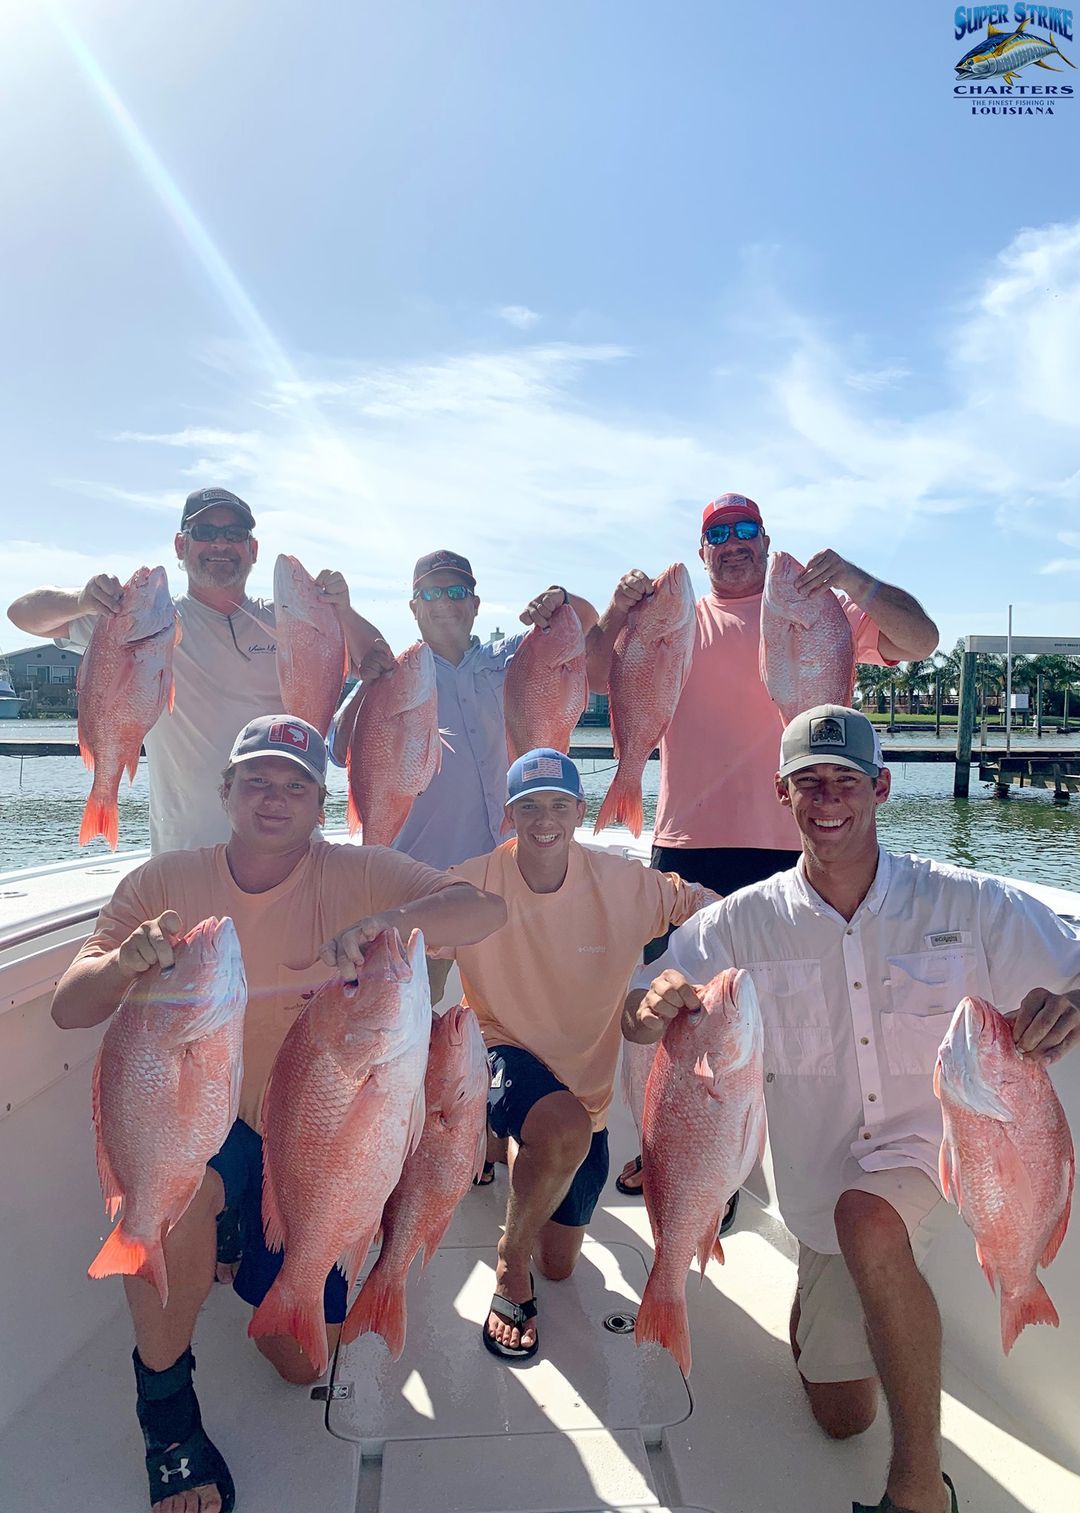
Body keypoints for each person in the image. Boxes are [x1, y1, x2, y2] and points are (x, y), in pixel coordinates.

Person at [623, 705, 1080, 1513]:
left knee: (868, 1218)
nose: (827, 797)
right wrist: (652, 1003)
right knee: (840, 1414)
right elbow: (636, 1008)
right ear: (782, 792)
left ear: (882, 786)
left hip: (940, 1162)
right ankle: (821, 1288)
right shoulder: (743, 920)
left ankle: (918, 1492)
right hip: (815, 1193)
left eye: (846, 780)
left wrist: (1073, 1004)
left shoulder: (965, 902)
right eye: (809, 782)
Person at [50, 714, 506, 1513]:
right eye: (256, 779)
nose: (274, 797)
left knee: (305, 1363)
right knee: (167, 1204)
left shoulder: (359, 871)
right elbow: (68, 1006)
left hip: (311, 1136)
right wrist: (123, 964)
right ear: (224, 789)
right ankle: (166, 1411)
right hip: (209, 1126)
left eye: (296, 784)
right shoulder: (164, 882)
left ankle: (243, 1249)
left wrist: (393, 924)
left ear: (321, 802)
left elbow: (480, 910)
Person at [587, 490, 940, 1198]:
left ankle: (800, 1162)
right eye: (719, 533)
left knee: (800, 1015)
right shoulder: (676, 617)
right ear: (702, 551)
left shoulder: (824, 609)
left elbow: (922, 639)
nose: (736, 541)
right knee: (677, 1017)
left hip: (800, 847)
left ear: (768, 538)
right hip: (687, 847)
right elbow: (598, 676)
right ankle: (670, 1156)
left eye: (748, 529)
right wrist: (614, 616)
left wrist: (856, 581)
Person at [434, 748, 714, 1362]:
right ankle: (509, 1268)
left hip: (587, 1093)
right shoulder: (471, 882)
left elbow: (715, 911)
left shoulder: (626, 884)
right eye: (528, 806)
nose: (544, 819)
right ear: (508, 815)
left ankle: (512, 1148)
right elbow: (407, 924)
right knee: (557, 1135)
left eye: (559, 804)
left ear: (580, 811)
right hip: (504, 1049)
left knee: (560, 1265)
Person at [6, 485, 386, 853]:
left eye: (234, 534)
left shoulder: (293, 621)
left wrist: (343, 611)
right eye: (205, 532)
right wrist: (81, 599)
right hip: (186, 854)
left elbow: (381, 664)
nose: (220, 544)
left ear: (253, 550)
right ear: (181, 546)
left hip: (295, 853)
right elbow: (22, 614)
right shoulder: (141, 623)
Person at [331, 548, 597, 1057]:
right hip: (418, 879)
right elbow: (340, 750)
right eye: (431, 593)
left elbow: (580, 625)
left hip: (506, 875)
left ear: (475, 604)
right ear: (413, 608)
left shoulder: (514, 657)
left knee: (516, 1023)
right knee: (408, 1028)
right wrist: (367, 688)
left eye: (457, 592)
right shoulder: (393, 672)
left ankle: (500, 1125)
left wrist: (562, 598)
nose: (444, 603)